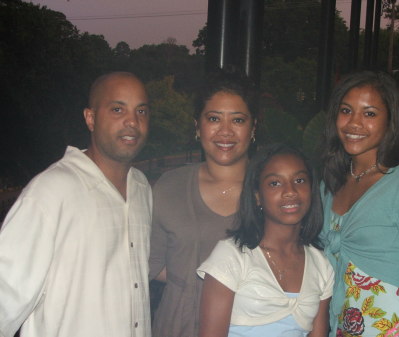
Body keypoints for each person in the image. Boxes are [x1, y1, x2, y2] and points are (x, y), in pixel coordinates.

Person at [0, 72, 153, 337]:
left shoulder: (141, 187)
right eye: (117, 109)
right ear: (90, 118)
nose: (132, 121)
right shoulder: (52, 190)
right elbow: (6, 294)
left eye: (141, 111)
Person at [320, 70, 399, 337]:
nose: (354, 123)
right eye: (346, 110)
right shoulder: (328, 185)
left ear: (390, 121)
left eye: (369, 113)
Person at [149, 73, 258, 337]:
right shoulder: (169, 186)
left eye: (238, 120)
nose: (225, 131)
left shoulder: (272, 188)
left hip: (251, 325)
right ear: (197, 126)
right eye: (213, 118)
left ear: (253, 128)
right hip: (179, 324)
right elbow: (152, 264)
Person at [197, 143, 334, 337]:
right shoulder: (232, 256)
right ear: (257, 196)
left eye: (300, 180)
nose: (290, 191)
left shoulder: (321, 265)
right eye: (275, 183)